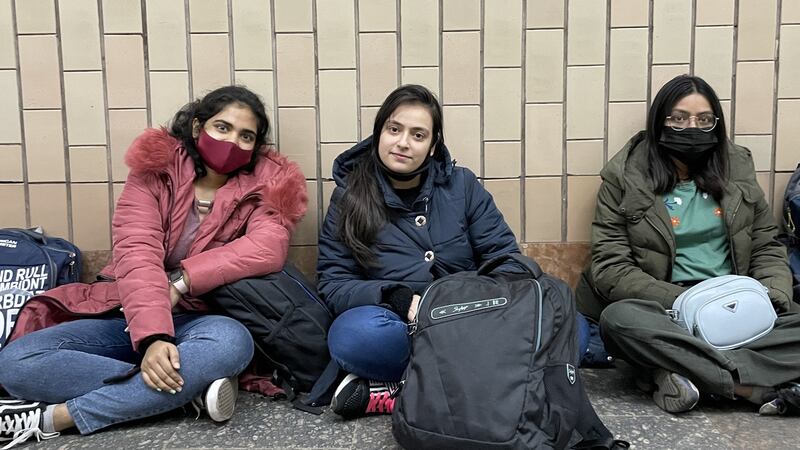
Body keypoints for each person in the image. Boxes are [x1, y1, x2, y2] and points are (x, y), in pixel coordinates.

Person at [0, 86, 308, 447]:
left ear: (255, 146)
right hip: (129, 311)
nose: (232, 142)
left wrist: (181, 281)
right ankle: (190, 395)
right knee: (18, 361)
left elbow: (266, 247)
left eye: (245, 136)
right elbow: (137, 250)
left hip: (205, 317)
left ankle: (59, 418)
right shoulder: (155, 171)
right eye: (222, 128)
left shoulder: (270, 185)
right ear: (197, 127)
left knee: (231, 344)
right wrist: (154, 337)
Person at [317, 84, 584, 419]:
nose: (402, 143)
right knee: (354, 337)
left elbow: (505, 258)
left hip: (474, 316)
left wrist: (478, 303)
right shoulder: (348, 197)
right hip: (403, 322)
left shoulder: (462, 185)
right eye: (394, 129)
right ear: (378, 132)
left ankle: (403, 393)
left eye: (418, 135)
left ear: (432, 145)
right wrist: (395, 297)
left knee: (573, 327)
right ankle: (495, 386)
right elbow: (334, 283)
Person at [575, 74, 800, 415]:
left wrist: (769, 294)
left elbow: (766, 243)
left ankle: (681, 372)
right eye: (678, 118)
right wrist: (686, 304)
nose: (692, 127)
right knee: (619, 322)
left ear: (716, 123)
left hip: (736, 304)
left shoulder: (737, 167)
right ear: (659, 121)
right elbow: (611, 267)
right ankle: (748, 387)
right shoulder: (624, 177)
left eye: (704, 119)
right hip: (667, 309)